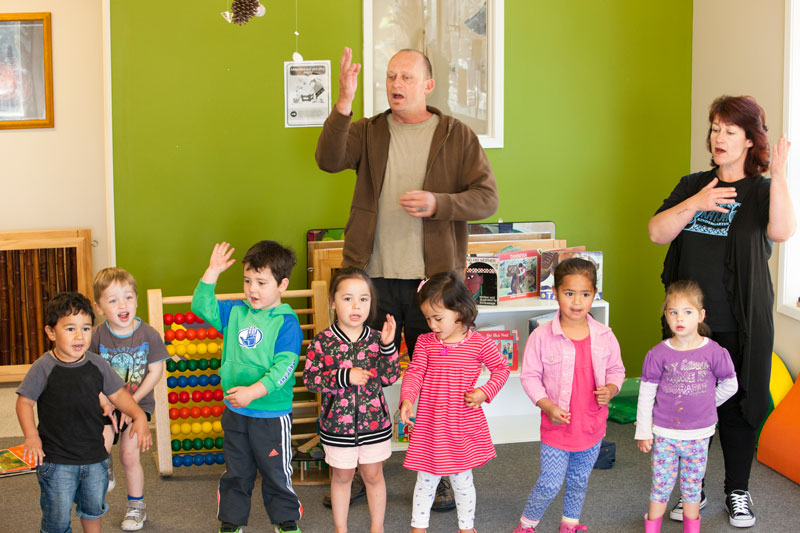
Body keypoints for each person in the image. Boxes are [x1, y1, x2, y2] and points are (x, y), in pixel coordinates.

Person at [316, 44, 498, 511]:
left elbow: (486, 199)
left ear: (428, 85)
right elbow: (328, 159)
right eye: (391, 76)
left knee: (439, 379)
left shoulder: (457, 135)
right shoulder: (369, 130)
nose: (396, 84)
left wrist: (441, 204)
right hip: (370, 278)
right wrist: (343, 101)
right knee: (356, 376)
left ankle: (439, 471)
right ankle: (350, 468)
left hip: (431, 285)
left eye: (406, 77)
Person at [648, 95, 796, 527]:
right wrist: (693, 203)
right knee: (685, 410)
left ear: (750, 140)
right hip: (687, 325)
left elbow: (782, 231)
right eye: (715, 128)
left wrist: (781, 174)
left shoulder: (763, 191)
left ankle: (738, 492)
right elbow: (657, 232)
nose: (719, 138)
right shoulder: (692, 184)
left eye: (730, 131)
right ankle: (694, 491)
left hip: (741, 323)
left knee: (738, 408)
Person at [16, 292, 152, 533]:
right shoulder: (43, 367)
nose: (79, 336)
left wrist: (139, 415)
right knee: (56, 520)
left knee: (93, 511)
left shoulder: (97, 364)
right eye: (70, 329)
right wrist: (31, 436)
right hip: (56, 461)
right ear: (51, 333)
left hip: (95, 458)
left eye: (86, 328)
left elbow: (119, 395)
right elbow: (24, 402)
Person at [191, 241, 303, 533]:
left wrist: (253, 392)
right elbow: (200, 306)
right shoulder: (235, 312)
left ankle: (285, 521)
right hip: (236, 412)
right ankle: (231, 521)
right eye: (247, 280)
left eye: (262, 282)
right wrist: (212, 272)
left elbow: (284, 368)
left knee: (275, 472)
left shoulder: (287, 322)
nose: (253, 289)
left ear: (283, 285)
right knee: (236, 471)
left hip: (270, 414)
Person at [515, 258, 625, 533]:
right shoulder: (542, 336)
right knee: (550, 482)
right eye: (569, 293)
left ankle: (570, 524)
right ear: (556, 294)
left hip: (592, 425)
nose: (577, 302)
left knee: (579, 480)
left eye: (585, 294)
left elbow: (616, 369)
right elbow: (529, 376)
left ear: (594, 295)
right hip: (557, 426)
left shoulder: (604, 335)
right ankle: (527, 525)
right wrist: (547, 406)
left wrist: (611, 389)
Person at [399, 271, 510, 533]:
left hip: (460, 423)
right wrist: (407, 399)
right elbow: (415, 372)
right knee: (426, 479)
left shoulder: (479, 344)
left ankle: (466, 526)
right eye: (428, 318)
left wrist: (485, 392)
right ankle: (418, 526)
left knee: (462, 480)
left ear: (459, 311)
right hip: (430, 422)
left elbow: (501, 369)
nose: (432, 325)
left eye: (438, 318)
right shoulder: (426, 343)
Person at [303, 267, 401, 533]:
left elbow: (391, 377)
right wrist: (344, 376)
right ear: (332, 302)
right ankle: (340, 528)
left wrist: (388, 346)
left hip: (374, 424)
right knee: (343, 476)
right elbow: (311, 380)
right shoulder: (322, 342)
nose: (356, 305)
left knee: (373, 475)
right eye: (347, 298)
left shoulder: (377, 339)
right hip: (337, 427)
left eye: (363, 299)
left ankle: (377, 528)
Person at [636, 280, 738, 533]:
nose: (680, 318)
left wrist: (706, 403)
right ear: (666, 316)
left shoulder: (714, 352)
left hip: (698, 435)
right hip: (665, 434)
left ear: (701, 315)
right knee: (660, 485)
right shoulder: (658, 354)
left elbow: (730, 384)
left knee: (692, 487)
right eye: (673, 312)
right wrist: (643, 430)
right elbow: (646, 393)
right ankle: (652, 528)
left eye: (687, 312)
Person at [90, 267, 169, 531]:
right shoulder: (97, 336)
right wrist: (105, 401)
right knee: (99, 446)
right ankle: (104, 468)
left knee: (128, 455)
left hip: (138, 404)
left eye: (128, 298)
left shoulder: (149, 335)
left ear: (136, 300)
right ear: (99, 307)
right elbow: (90, 373)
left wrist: (130, 403)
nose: (122, 305)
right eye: (113, 300)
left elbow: (156, 372)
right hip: (105, 403)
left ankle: (136, 507)